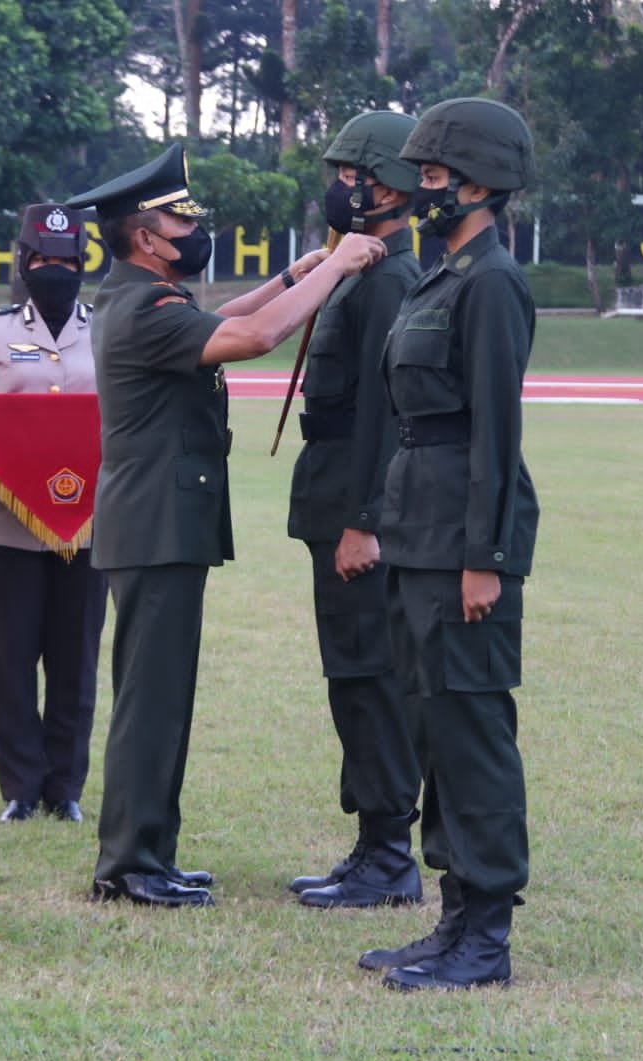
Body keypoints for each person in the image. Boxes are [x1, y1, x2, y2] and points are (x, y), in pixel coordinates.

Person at [67, 143, 386, 907]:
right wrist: (337, 269)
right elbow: (252, 339)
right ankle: (130, 865)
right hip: (155, 526)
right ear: (146, 238)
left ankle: (151, 851)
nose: (192, 230)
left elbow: (221, 318)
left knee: (161, 694)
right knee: (151, 698)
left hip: (155, 522)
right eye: (181, 221)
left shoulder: (136, 296)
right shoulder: (146, 307)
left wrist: (292, 277)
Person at [354, 99, 539, 989]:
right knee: (432, 730)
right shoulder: (439, 278)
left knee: (472, 735)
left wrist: (486, 561)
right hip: (416, 535)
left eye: (431, 176)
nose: (416, 189)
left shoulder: (492, 283)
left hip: (462, 545)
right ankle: (453, 917)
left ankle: (488, 938)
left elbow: (496, 436)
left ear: (478, 183)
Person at [284, 111, 425, 910]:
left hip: (356, 509)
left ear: (387, 190)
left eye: (350, 176)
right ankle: (371, 845)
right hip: (332, 491)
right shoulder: (359, 273)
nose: (338, 188)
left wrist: (366, 521)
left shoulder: (391, 284)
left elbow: (388, 413)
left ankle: (388, 858)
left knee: (370, 674)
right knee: (351, 674)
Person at [0, 203, 107, 825]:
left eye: (67, 262)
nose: (55, 271)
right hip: (4, 526)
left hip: (89, 525)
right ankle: (19, 786)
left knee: (76, 658)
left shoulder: (105, 329)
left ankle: (64, 786)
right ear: (24, 262)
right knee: (11, 658)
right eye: (43, 259)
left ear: (81, 265)